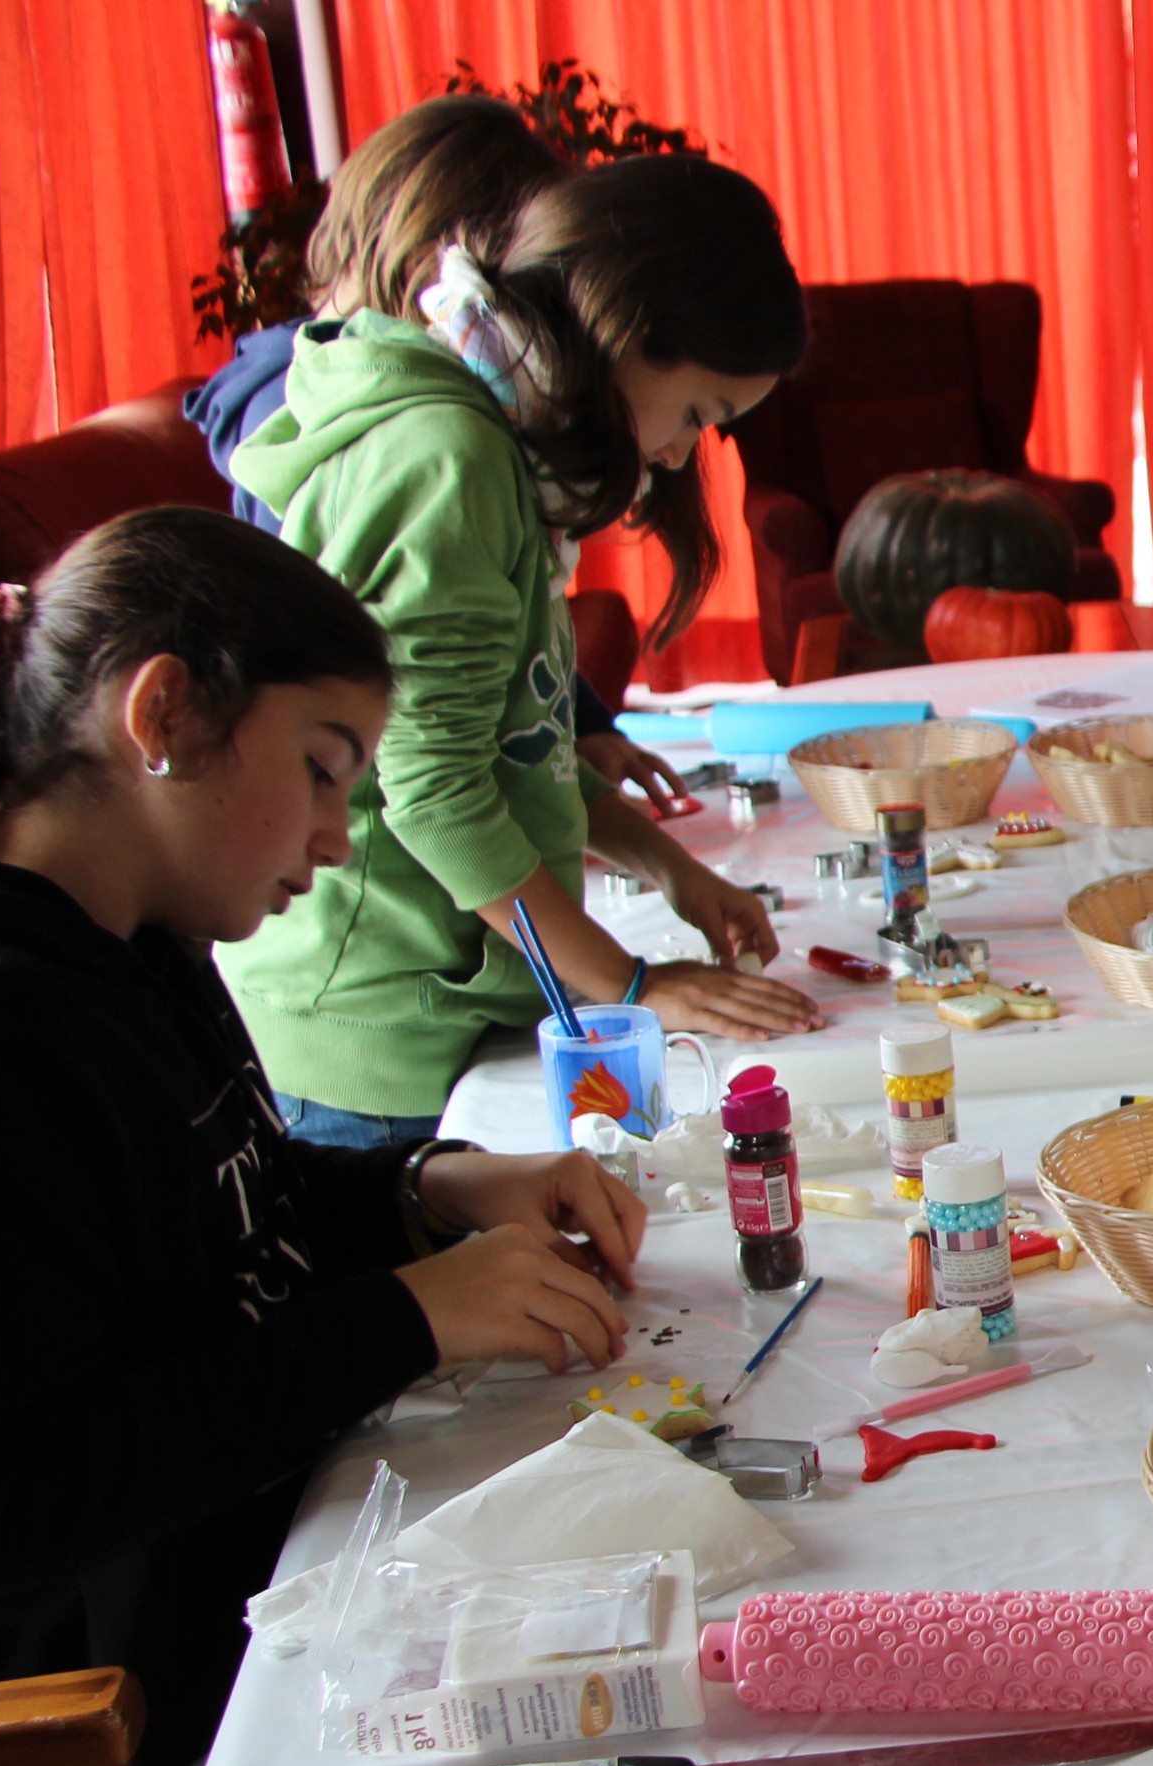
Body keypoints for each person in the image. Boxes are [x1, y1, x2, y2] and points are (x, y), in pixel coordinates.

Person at [0, 511, 647, 1766]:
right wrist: (403, 1319)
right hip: (164, 1745)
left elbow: (232, 1209)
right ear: (163, 713)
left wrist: (431, 1191)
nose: (338, 834)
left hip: (283, 1588)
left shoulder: (127, 941)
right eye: (319, 770)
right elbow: (16, 1498)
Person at [225, 153, 823, 1148]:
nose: (677, 455)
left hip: (432, 1000)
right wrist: (631, 989)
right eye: (694, 417)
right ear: (630, 334)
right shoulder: (450, 461)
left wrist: (674, 870)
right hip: (376, 1031)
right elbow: (438, 790)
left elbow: (520, 746)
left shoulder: (502, 448)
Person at [187, 94, 691, 814]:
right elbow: (407, 684)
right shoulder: (361, 422)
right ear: (451, 262)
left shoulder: (426, 405)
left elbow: (490, 605)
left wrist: (578, 722)